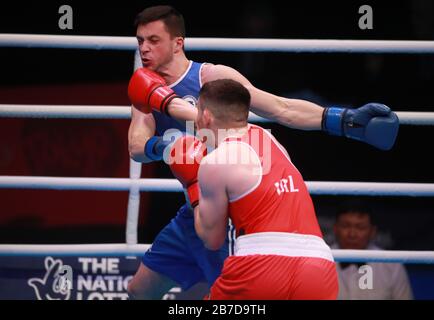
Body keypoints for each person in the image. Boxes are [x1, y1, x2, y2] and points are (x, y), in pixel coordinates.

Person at [127, 5, 399, 299]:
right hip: (194, 209)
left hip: (233, 213)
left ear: (177, 42)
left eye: (153, 40)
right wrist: (168, 147)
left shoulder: (212, 77)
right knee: (139, 291)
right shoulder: (145, 88)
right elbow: (137, 146)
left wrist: (339, 120)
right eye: (140, 40)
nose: (144, 48)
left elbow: (281, 108)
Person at [169, 78, 339, 299]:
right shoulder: (270, 139)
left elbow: (212, 239)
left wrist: (191, 184)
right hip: (319, 265)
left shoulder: (216, 161)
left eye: (198, 110)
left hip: (261, 263)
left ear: (207, 116)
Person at [332, 201, 413, 300]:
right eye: (345, 226)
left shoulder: (392, 265)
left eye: (360, 227)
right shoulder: (320, 261)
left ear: (372, 231)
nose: (352, 234)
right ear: (335, 229)